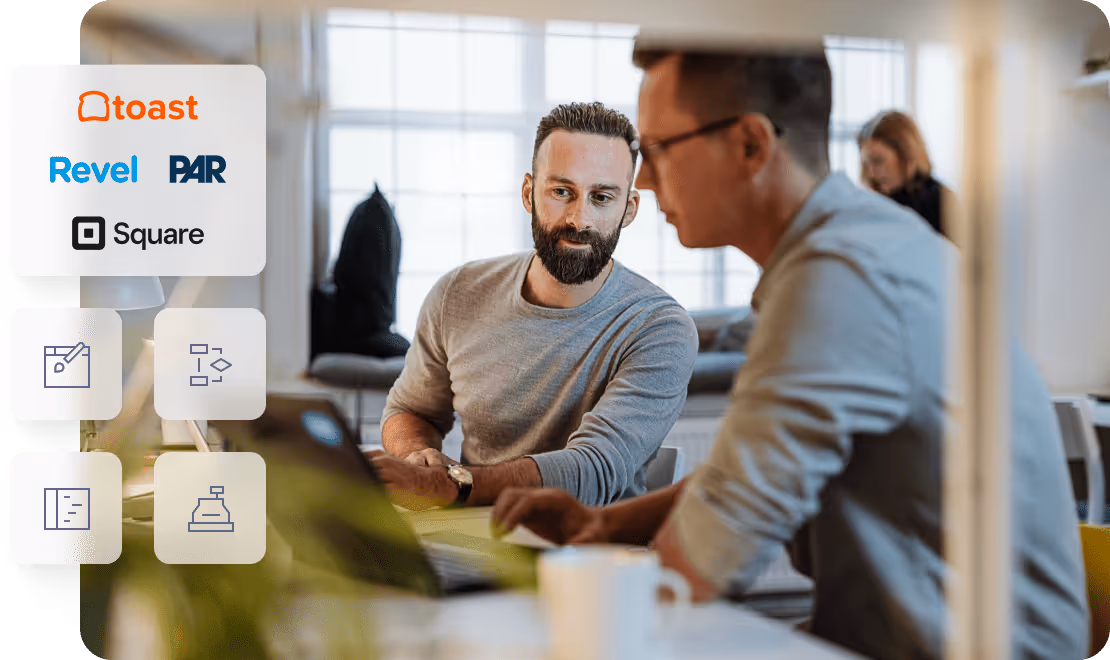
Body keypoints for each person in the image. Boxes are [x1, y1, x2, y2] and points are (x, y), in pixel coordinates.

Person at [492, 43, 1088, 660]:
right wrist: (606, 524)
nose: (642, 178)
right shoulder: (853, 245)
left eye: (661, 147)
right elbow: (742, 477)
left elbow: (689, 574)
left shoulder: (840, 280)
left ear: (751, 144)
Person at [369, 102, 699, 511]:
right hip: (471, 537)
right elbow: (411, 410)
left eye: (601, 197)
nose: (580, 219)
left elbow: (593, 470)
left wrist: (449, 485)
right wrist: (415, 457)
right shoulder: (457, 293)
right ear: (529, 193)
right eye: (562, 192)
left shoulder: (660, 328)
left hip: (590, 553)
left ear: (628, 209)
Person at [858, 110, 952, 237]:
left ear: (906, 156)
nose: (871, 173)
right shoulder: (875, 205)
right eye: (866, 164)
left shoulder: (943, 203)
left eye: (878, 161)